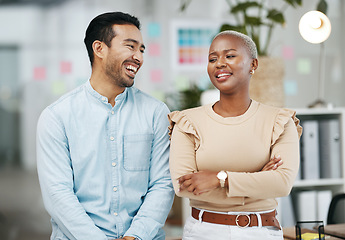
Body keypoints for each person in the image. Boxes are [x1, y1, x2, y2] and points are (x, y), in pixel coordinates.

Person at [36, 12, 174, 240]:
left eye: (141, 49)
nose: (138, 57)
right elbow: (57, 194)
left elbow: (162, 184)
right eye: (130, 46)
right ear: (99, 49)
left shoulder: (156, 113)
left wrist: (135, 236)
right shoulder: (57, 116)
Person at [168, 30, 302, 240]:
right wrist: (258, 179)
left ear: (253, 64)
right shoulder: (187, 122)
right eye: (213, 59)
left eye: (230, 56)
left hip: (261, 232)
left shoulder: (280, 120)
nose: (219, 63)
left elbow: (282, 183)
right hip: (204, 232)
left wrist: (219, 178)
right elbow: (183, 186)